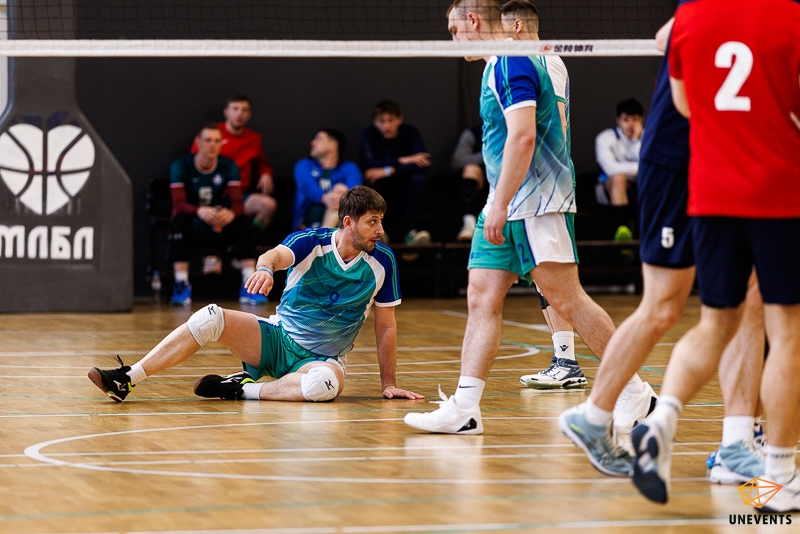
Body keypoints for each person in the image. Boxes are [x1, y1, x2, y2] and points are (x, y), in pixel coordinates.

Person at [403, 0, 655, 435]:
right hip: (505, 201)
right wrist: (496, 202)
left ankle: (634, 391)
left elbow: (523, 137)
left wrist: (501, 203)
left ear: (474, 21)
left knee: (568, 300)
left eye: (454, 29)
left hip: (534, 202)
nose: (452, 38)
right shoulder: (498, 64)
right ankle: (465, 407)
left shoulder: (512, 61)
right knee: (482, 295)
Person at [559, 8, 766, 482]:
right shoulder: (711, 11)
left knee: (748, 299)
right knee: (664, 306)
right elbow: (666, 35)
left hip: (725, 164)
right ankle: (594, 416)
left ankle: (738, 440)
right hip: (677, 165)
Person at [629, 0, 800, 510]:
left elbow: (685, 106)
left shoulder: (690, 19)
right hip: (776, 194)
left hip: (709, 194)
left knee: (713, 324)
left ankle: (662, 420)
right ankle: (780, 477)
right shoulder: (790, 17)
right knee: (786, 334)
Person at [89, 186, 425, 404]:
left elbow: (386, 327)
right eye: (373, 222)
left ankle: (241, 389)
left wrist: (388, 384)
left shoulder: (383, 262)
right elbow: (274, 255)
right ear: (348, 222)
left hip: (321, 359)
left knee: (322, 386)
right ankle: (128, 378)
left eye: (381, 221)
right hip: (276, 338)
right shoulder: (311, 242)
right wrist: (264, 269)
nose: (380, 230)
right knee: (210, 317)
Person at [499, 0, 583, 391]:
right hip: (530, 188)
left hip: (548, 186)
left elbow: (558, 124)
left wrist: (540, 176)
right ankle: (565, 361)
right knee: (542, 278)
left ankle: (608, 373)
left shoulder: (546, 60)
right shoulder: (519, 62)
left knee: (558, 280)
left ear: (517, 26)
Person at [168, 123, 265, 306]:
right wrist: (199, 210)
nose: (212, 145)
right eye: (208, 140)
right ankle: (181, 285)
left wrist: (230, 213)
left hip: (218, 222)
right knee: (179, 222)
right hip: (194, 222)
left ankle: (249, 285)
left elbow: (238, 202)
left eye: (217, 141)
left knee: (242, 222)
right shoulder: (181, 165)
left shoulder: (228, 166)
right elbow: (178, 204)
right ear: (198, 142)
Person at [192, 94, 277, 244]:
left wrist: (265, 173)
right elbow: (193, 162)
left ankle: (244, 243)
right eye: (235, 109)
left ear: (249, 114)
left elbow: (262, 164)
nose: (239, 114)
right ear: (226, 112)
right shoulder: (212, 133)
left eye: (244, 110)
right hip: (211, 195)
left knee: (268, 205)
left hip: (239, 196)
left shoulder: (254, 139)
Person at [358, 100, 431, 245]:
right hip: (383, 186)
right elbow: (367, 165)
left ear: (399, 120)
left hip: (404, 183)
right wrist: (403, 160)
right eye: (382, 121)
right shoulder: (368, 134)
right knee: (374, 184)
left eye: (390, 120)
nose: (386, 126)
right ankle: (378, 233)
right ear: (375, 122)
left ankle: (412, 233)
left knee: (418, 181)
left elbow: (423, 164)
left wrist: (389, 170)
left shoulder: (410, 133)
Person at [293, 129, 362, 231]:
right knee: (338, 200)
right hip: (305, 228)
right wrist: (325, 198)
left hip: (342, 229)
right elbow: (307, 186)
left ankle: (323, 238)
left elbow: (356, 193)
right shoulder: (304, 165)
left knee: (342, 199)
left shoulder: (349, 168)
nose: (312, 143)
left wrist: (342, 191)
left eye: (319, 139)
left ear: (332, 145)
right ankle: (324, 237)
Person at [595, 98, 644, 240]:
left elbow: (652, 169)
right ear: (618, 120)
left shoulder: (649, 137)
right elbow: (611, 169)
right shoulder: (605, 138)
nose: (630, 124)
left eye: (635, 119)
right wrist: (638, 169)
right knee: (618, 178)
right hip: (608, 189)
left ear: (642, 120)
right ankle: (622, 230)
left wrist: (636, 142)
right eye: (626, 120)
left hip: (639, 187)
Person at [450, 124, 487, 242]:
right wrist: (490, 154)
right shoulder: (473, 133)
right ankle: (469, 224)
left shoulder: (515, 128)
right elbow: (457, 160)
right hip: (482, 184)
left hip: (506, 181)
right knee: (471, 169)